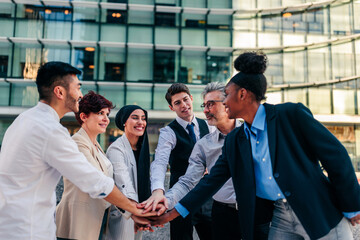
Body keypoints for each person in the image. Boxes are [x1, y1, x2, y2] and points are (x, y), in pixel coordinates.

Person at [148, 52, 360, 240]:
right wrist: (170, 214)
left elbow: (336, 155)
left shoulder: (290, 115)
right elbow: (210, 182)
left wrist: (352, 205)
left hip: (317, 209)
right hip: (279, 217)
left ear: (242, 94)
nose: (225, 102)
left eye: (227, 95)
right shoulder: (236, 140)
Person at [0, 62, 154, 240]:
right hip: (29, 230)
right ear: (60, 92)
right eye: (77, 88)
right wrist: (134, 209)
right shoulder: (50, 130)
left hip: (14, 225)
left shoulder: (24, 119)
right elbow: (94, 181)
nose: (80, 95)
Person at [163, 82, 243, 239]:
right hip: (221, 214)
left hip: (255, 210)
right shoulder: (204, 145)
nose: (205, 110)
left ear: (227, 104)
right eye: (204, 105)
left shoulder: (252, 134)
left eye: (211, 104)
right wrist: (163, 202)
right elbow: (187, 181)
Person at [143, 83, 213, 240]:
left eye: (185, 99)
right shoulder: (169, 132)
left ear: (192, 99)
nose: (184, 105)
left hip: (207, 195)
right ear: (171, 107)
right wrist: (158, 191)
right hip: (180, 197)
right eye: (177, 103)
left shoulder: (208, 125)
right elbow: (160, 163)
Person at [55, 91, 115, 240]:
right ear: (83, 116)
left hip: (96, 218)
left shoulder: (95, 144)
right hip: (78, 222)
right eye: (101, 113)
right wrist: (131, 209)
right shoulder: (77, 143)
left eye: (107, 114)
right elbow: (97, 180)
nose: (106, 119)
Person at [106, 105, 151, 240]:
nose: (140, 122)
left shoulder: (142, 149)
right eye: (135, 118)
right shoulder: (116, 149)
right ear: (124, 122)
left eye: (143, 119)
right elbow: (123, 182)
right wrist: (136, 212)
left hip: (139, 212)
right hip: (123, 214)